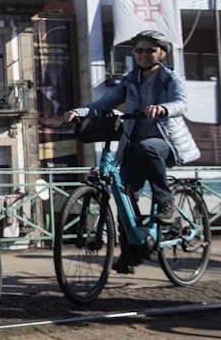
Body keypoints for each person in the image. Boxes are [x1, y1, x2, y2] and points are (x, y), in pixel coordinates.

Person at [63, 29, 200, 274]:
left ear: (162, 53)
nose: (144, 55)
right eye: (139, 50)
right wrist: (80, 112)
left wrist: (163, 108)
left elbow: (182, 103)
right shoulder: (129, 80)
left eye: (150, 50)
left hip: (165, 143)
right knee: (125, 197)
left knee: (148, 148)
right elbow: (105, 103)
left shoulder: (171, 78)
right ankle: (130, 254)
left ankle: (165, 201)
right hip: (134, 149)